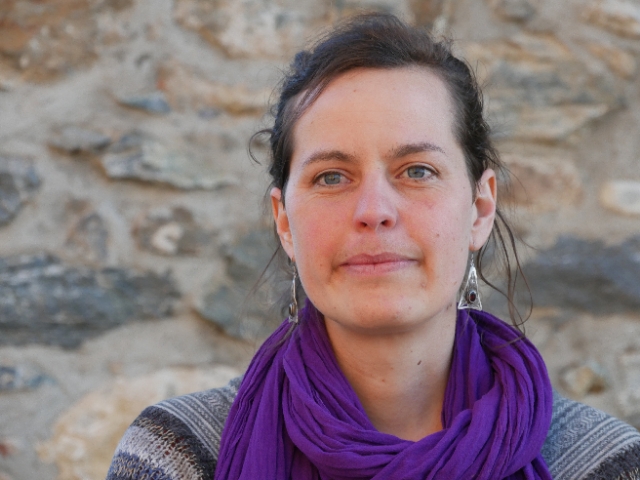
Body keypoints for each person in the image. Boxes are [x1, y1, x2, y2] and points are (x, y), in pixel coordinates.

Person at [106, 14, 640, 480]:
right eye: (332, 177)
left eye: (417, 170)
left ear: (480, 208)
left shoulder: (598, 465)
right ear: (284, 221)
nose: (374, 210)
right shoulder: (180, 455)